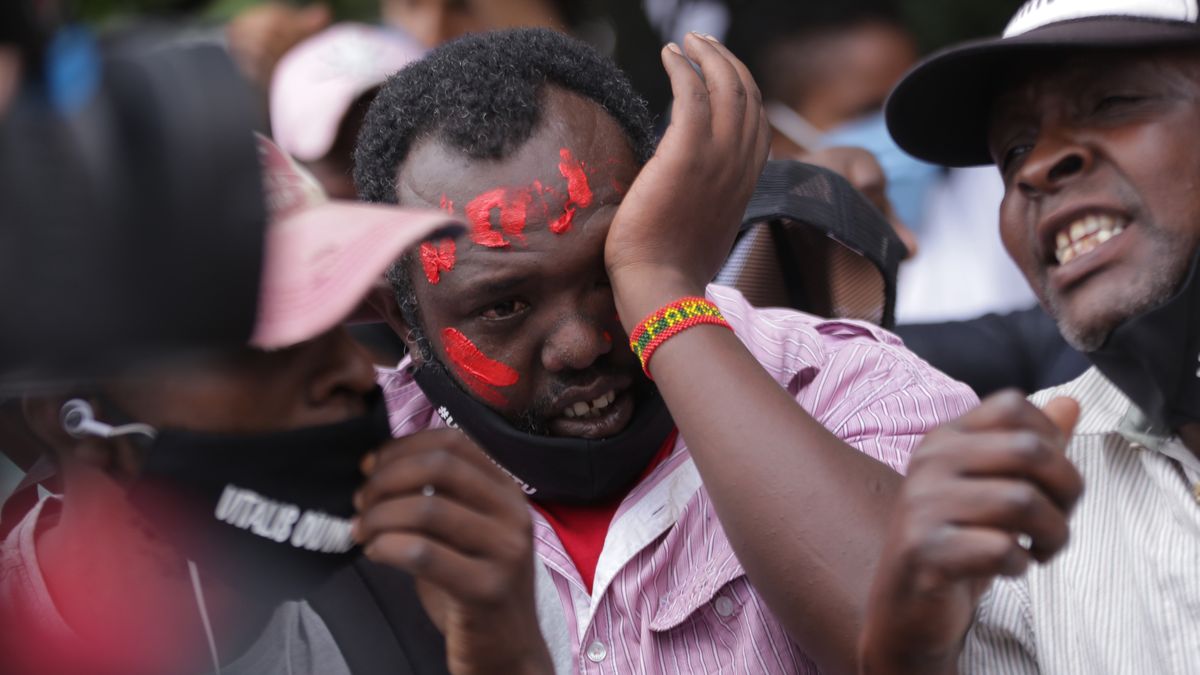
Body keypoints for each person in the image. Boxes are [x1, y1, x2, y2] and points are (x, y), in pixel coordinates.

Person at [355, 28, 976, 673]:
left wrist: (660, 291)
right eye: (503, 307)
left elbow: (899, 642)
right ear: (403, 318)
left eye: (607, 273)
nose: (580, 345)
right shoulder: (353, 473)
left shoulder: (852, 388)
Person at [0, 137, 551, 675]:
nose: (356, 372)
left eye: (337, 317)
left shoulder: (437, 587)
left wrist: (508, 657)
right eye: (269, 346)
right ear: (71, 420)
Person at [860, 1, 1200, 672]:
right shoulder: (1028, 509)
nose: (1036, 166)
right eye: (1012, 148)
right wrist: (909, 649)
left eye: (1111, 102)